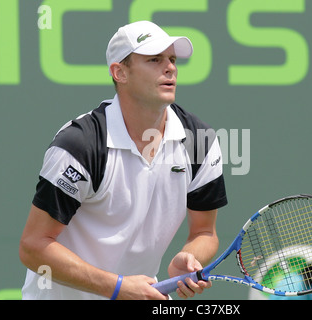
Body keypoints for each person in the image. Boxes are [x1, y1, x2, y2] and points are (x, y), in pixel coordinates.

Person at [19, 20, 228, 300]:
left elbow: (205, 232)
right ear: (120, 72)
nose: (170, 68)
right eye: (154, 59)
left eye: (172, 59)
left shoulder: (200, 141)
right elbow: (33, 246)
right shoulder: (79, 145)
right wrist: (117, 287)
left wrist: (188, 256)